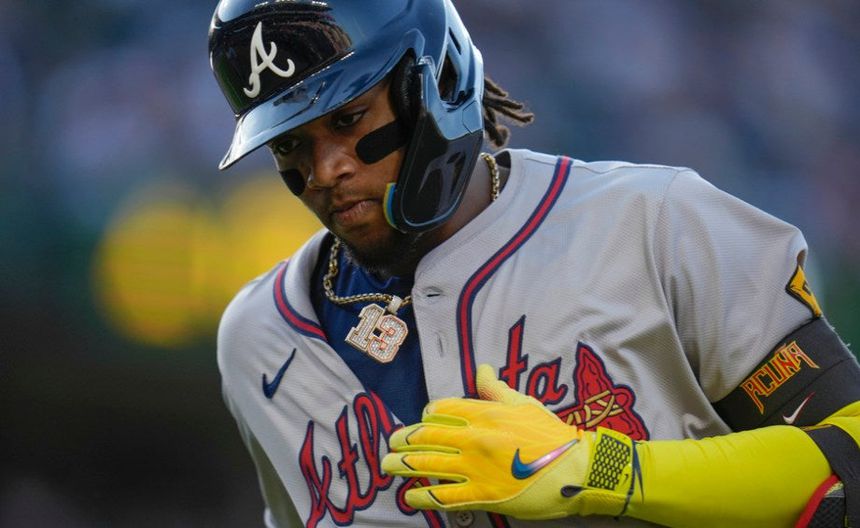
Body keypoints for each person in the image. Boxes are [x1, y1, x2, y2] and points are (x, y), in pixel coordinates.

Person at [208, 1, 860, 527]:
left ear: (433, 82)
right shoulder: (259, 341)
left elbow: (851, 457)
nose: (325, 170)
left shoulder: (657, 223)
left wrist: (599, 470)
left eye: (349, 118)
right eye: (289, 144)